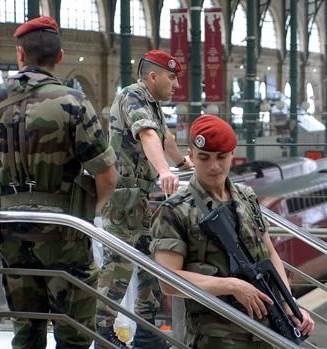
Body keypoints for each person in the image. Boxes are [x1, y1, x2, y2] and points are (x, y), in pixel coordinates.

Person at [0, 16, 117, 349]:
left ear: (20, 54)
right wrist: (84, 213)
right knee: (73, 334)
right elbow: (107, 176)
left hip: (13, 234)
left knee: (26, 332)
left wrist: (6, 201)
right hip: (66, 235)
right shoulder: (74, 102)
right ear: (60, 57)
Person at [150, 115, 314, 349]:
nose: (214, 166)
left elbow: (270, 255)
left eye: (222, 157)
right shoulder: (175, 210)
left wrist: (290, 307)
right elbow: (168, 281)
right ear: (192, 155)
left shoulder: (246, 197)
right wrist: (231, 286)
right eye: (205, 158)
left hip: (265, 330)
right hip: (216, 337)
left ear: (232, 155)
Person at [96, 49, 193, 349]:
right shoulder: (132, 97)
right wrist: (165, 170)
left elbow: (165, 139)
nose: (176, 84)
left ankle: (148, 330)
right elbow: (148, 134)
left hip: (140, 199)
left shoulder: (152, 103)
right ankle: (101, 333)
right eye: (172, 77)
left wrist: (184, 165)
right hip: (124, 200)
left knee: (152, 262)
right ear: (153, 76)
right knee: (118, 269)